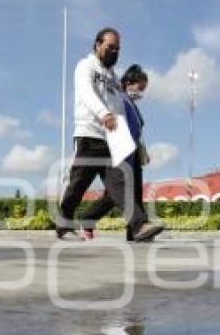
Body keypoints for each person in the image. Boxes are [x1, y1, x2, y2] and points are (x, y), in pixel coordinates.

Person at [57, 27, 163, 242]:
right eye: (110, 47)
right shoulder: (85, 66)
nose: (114, 52)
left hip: (110, 139)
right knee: (78, 184)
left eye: (118, 49)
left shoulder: (114, 78)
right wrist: (103, 112)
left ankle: (138, 225)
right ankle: (64, 226)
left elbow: (119, 108)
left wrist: (124, 140)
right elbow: (86, 92)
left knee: (120, 184)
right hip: (89, 135)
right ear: (97, 45)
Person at [120, 64, 151, 241]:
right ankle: (88, 219)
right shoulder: (121, 100)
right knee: (118, 195)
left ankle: (136, 230)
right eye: (140, 87)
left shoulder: (131, 104)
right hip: (125, 152)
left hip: (134, 153)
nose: (141, 92)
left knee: (136, 192)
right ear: (129, 83)